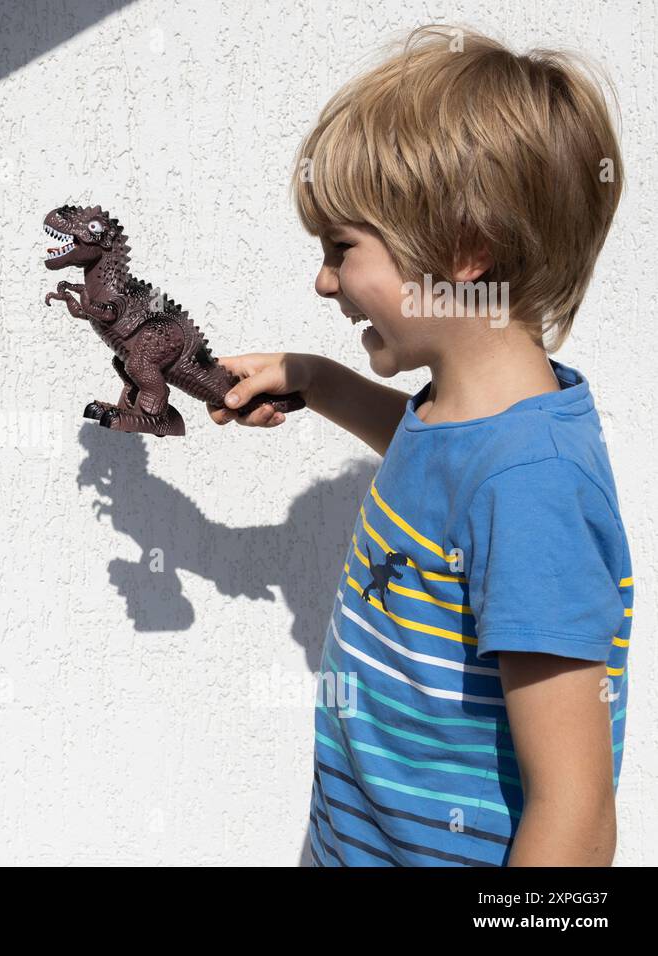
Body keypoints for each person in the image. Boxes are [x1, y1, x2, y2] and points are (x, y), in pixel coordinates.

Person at [209, 25, 633, 865]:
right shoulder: (460, 417)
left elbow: (576, 813)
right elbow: (432, 466)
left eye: (342, 249)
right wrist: (320, 381)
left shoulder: (533, 488)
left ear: (463, 250)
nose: (324, 280)